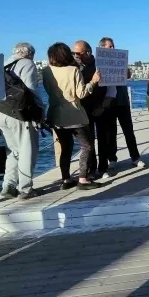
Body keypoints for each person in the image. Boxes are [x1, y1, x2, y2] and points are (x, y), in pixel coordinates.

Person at [42, 42, 101, 190]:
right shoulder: (73, 70)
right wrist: (93, 82)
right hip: (74, 114)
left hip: (56, 114)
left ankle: (66, 179)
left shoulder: (46, 71)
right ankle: (83, 178)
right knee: (87, 146)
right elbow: (81, 93)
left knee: (65, 148)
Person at [0, 42, 43, 199]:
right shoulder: (27, 64)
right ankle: (25, 188)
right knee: (27, 150)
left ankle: (8, 185)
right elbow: (31, 90)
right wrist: (40, 111)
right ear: (29, 54)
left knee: (13, 151)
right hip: (20, 113)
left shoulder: (2, 65)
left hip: (0, 112)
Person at [99, 37, 145, 173]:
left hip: (122, 100)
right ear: (102, 48)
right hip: (108, 102)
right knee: (110, 132)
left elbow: (128, 75)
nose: (113, 48)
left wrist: (125, 68)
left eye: (113, 46)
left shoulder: (120, 60)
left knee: (128, 131)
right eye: (109, 46)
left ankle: (135, 157)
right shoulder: (100, 63)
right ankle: (112, 159)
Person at [73, 40, 115, 178]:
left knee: (104, 138)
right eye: (74, 53)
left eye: (79, 53)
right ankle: (92, 169)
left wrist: (103, 106)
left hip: (101, 106)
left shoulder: (101, 63)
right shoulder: (75, 67)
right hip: (84, 109)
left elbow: (111, 88)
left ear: (88, 52)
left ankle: (103, 166)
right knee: (88, 141)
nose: (76, 56)